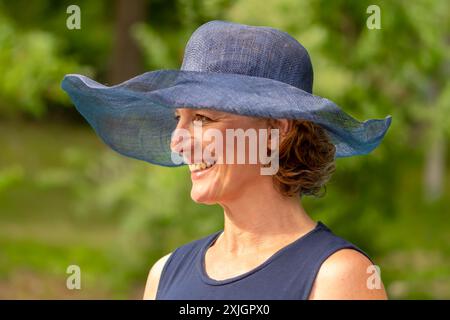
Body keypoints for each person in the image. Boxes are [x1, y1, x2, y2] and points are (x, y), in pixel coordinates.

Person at [62, 20, 391, 300]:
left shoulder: (337, 278)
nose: (177, 139)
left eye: (203, 118)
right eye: (179, 116)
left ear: (275, 130)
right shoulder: (164, 275)